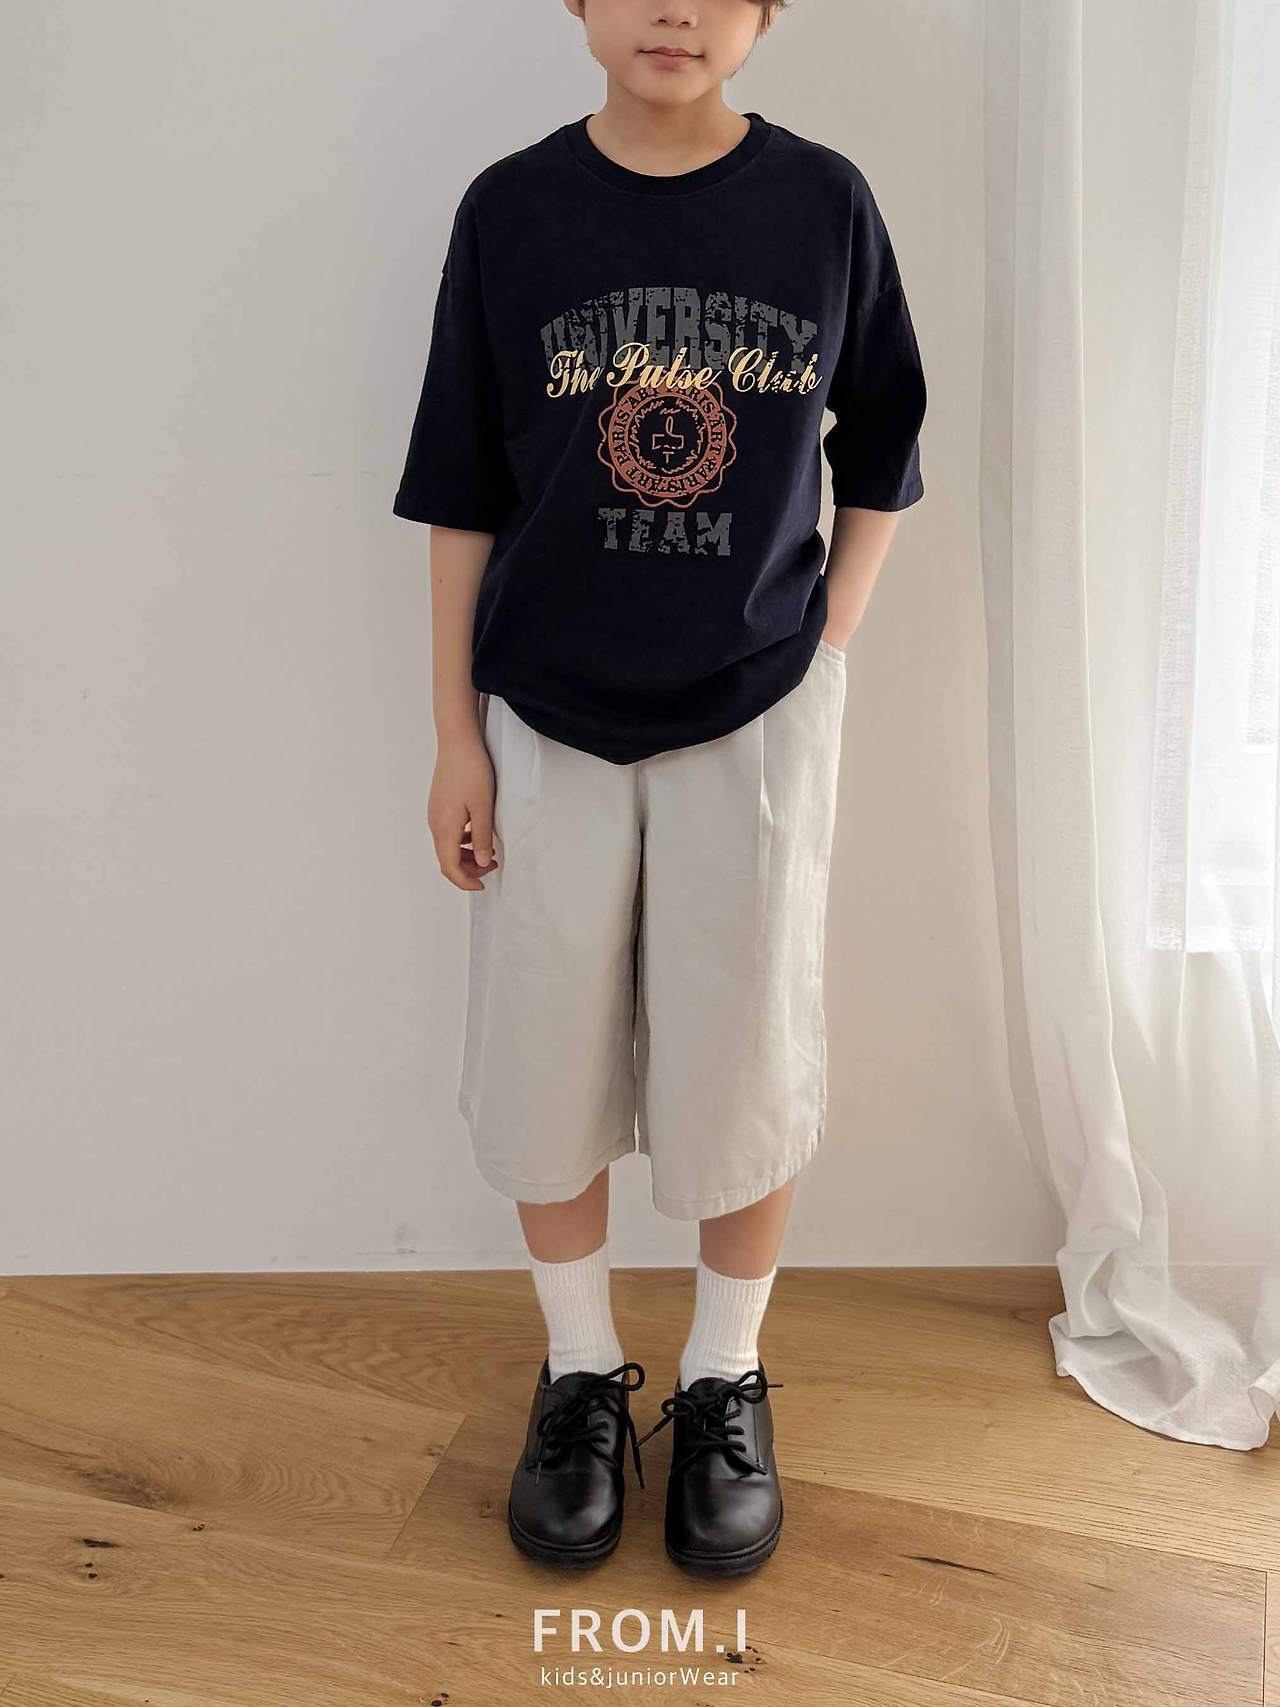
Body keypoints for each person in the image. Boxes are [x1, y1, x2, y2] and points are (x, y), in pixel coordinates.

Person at [393, 0, 926, 1577]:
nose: (674, 10)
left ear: (767, 12)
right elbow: (460, 485)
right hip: (545, 713)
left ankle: (722, 1378)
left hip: (753, 713)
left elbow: (887, 442)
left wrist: (824, 642)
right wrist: (454, 734)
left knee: (742, 1062)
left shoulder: (822, 203)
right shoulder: (512, 209)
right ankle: (577, 1374)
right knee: (542, 1057)